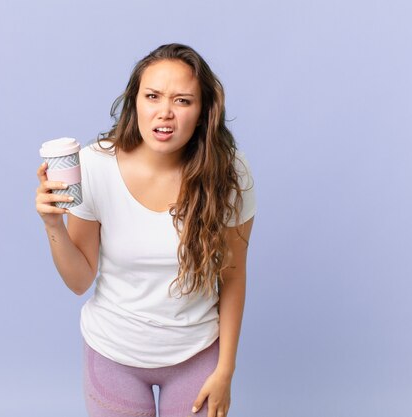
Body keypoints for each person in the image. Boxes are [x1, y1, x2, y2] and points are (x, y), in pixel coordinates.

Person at [35, 43, 256, 417]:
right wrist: (52, 223)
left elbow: (233, 276)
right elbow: (78, 281)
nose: (164, 113)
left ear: (203, 113)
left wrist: (226, 370)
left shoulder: (229, 172)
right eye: (152, 96)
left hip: (196, 354)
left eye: (183, 101)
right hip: (113, 356)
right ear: (134, 101)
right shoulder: (93, 165)